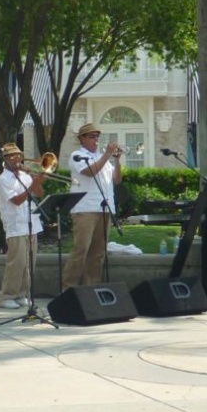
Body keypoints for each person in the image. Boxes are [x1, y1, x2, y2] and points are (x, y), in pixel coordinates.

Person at [61, 122, 122, 289]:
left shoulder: (103, 158)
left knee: (98, 253)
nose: (96, 140)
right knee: (81, 250)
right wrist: (107, 154)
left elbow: (117, 180)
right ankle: (68, 288)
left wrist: (117, 161)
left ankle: (92, 288)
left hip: (104, 208)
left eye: (97, 136)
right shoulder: (77, 155)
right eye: (92, 136)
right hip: (84, 208)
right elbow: (89, 172)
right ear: (82, 138)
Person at [0, 143, 46, 309]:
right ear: (5, 160)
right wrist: (32, 184)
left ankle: (22, 294)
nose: (17, 159)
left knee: (29, 263)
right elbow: (16, 200)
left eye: (18, 156)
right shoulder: (3, 180)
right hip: (15, 224)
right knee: (16, 263)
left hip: (31, 222)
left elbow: (39, 194)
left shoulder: (25, 175)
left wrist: (37, 180)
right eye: (12, 156)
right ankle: (6, 296)